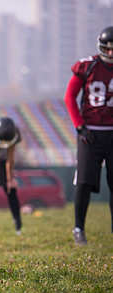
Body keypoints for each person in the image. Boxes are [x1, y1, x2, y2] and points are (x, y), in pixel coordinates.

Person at [64, 26, 113, 246]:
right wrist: (79, 126)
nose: (110, 54)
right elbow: (69, 97)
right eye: (107, 49)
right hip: (90, 133)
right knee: (83, 182)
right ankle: (78, 229)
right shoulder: (88, 66)